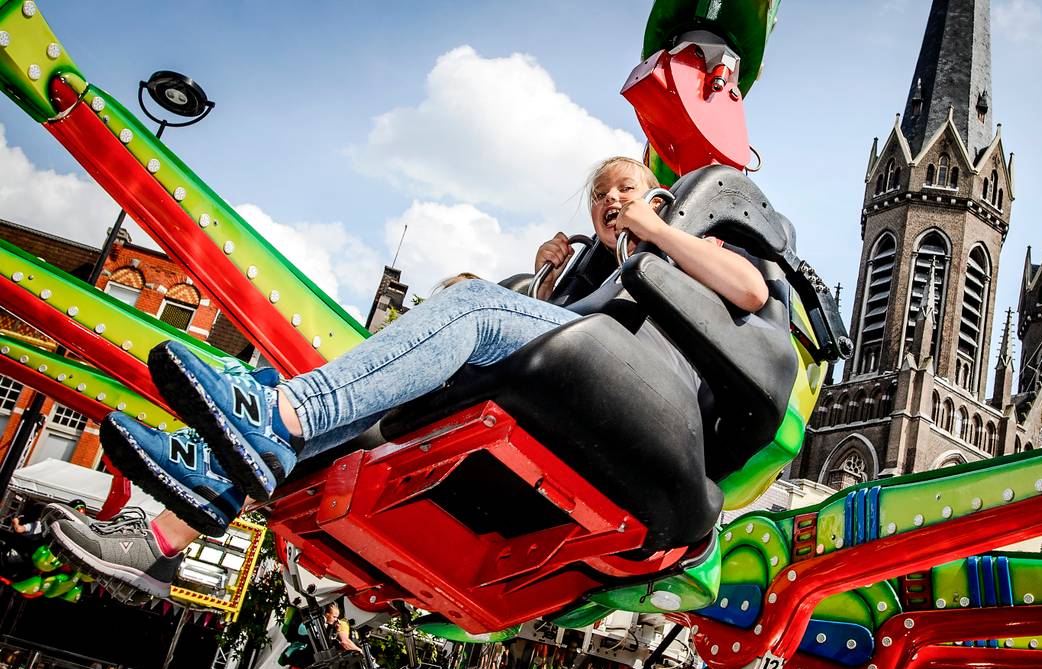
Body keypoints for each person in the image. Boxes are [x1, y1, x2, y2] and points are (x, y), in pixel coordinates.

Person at [46, 156, 769, 600]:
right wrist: (548, 273)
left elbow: (749, 292)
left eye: (629, 188)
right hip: (582, 383)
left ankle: (276, 416)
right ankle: (165, 536)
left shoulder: (679, 250)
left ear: (661, 198)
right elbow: (532, 350)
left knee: (472, 304)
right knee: (357, 406)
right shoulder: (588, 277)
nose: (612, 199)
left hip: (650, 394)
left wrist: (657, 228)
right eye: (601, 194)